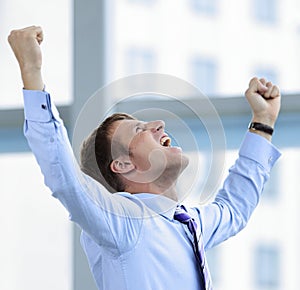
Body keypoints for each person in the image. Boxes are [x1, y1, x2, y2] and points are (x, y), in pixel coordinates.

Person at [8, 26, 281, 290]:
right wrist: (32, 73)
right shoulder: (123, 221)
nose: (159, 124)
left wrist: (263, 122)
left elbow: (234, 209)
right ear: (124, 164)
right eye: (140, 129)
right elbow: (65, 179)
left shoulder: (189, 225)